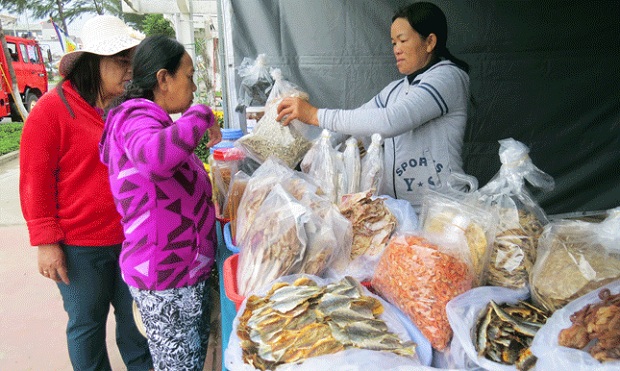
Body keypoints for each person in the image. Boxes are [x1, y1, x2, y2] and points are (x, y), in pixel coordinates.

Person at [19, 15, 153, 371]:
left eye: (132, 62)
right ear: (94, 63)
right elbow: (35, 182)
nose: (130, 71)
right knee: (87, 326)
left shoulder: (125, 108)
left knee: (137, 323)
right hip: (80, 247)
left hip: (132, 238)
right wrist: (46, 243)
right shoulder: (50, 111)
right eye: (121, 62)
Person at [99, 34, 222, 370]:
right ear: (163, 79)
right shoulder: (134, 119)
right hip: (166, 280)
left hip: (182, 274)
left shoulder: (153, 119)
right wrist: (200, 115)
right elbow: (155, 157)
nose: (194, 86)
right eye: (189, 76)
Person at [277, 1, 471, 211]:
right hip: (402, 211)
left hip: (441, 212)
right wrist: (312, 151)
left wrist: (315, 115)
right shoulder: (396, 90)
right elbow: (358, 119)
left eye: (403, 40)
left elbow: (390, 121)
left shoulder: (448, 77)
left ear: (430, 42)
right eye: (393, 43)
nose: (396, 50)